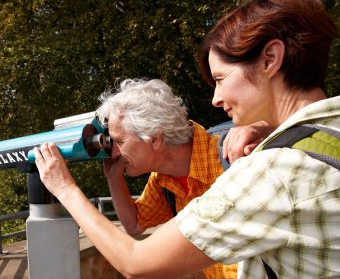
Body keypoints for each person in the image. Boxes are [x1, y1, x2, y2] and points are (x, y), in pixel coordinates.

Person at [33, 0, 340, 278]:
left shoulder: (266, 170)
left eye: (220, 79)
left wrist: (64, 187)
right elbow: (136, 224)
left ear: (270, 59)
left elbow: (136, 263)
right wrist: (270, 127)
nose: (215, 98)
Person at [96, 78, 271, 278]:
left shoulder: (234, 154)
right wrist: (113, 178)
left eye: (119, 141)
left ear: (154, 139)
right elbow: (134, 224)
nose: (114, 152)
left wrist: (264, 126)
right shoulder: (162, 181)